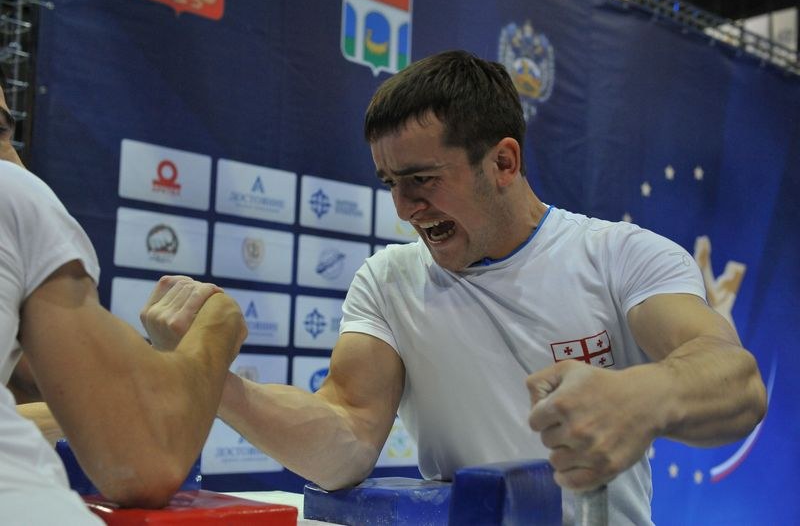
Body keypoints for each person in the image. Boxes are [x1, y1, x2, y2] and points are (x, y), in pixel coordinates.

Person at [192, 50, 766, 524]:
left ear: (504, 163)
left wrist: (640, 397)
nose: (405, 209)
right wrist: (212, 381)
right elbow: (347, 439)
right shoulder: (388, 280)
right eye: (391, 183)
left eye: (422, 180)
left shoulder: (620, 256)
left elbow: (736, 380)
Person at [0, 84, 248, 523]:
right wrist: (218, 323)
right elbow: (143, 459)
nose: (16, 161)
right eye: (1, 132)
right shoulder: (14, 192)